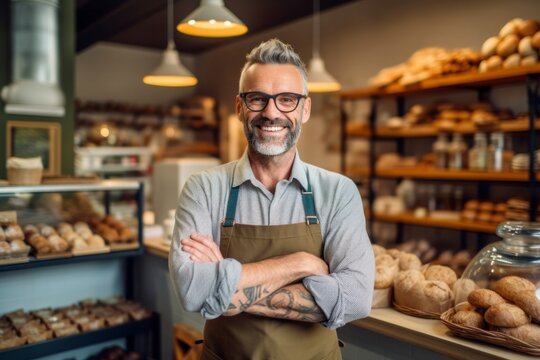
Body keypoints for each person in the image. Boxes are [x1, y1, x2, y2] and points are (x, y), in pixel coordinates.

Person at [169, 38, 374, 360]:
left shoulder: (338, 191)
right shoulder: (204, 188)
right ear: (239, 107)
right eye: (257, 99)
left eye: (287, 99)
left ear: (305, 109)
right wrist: (300, 264)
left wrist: (222, 287)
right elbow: (192, 291)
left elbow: (357, 299)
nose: (271, 112)